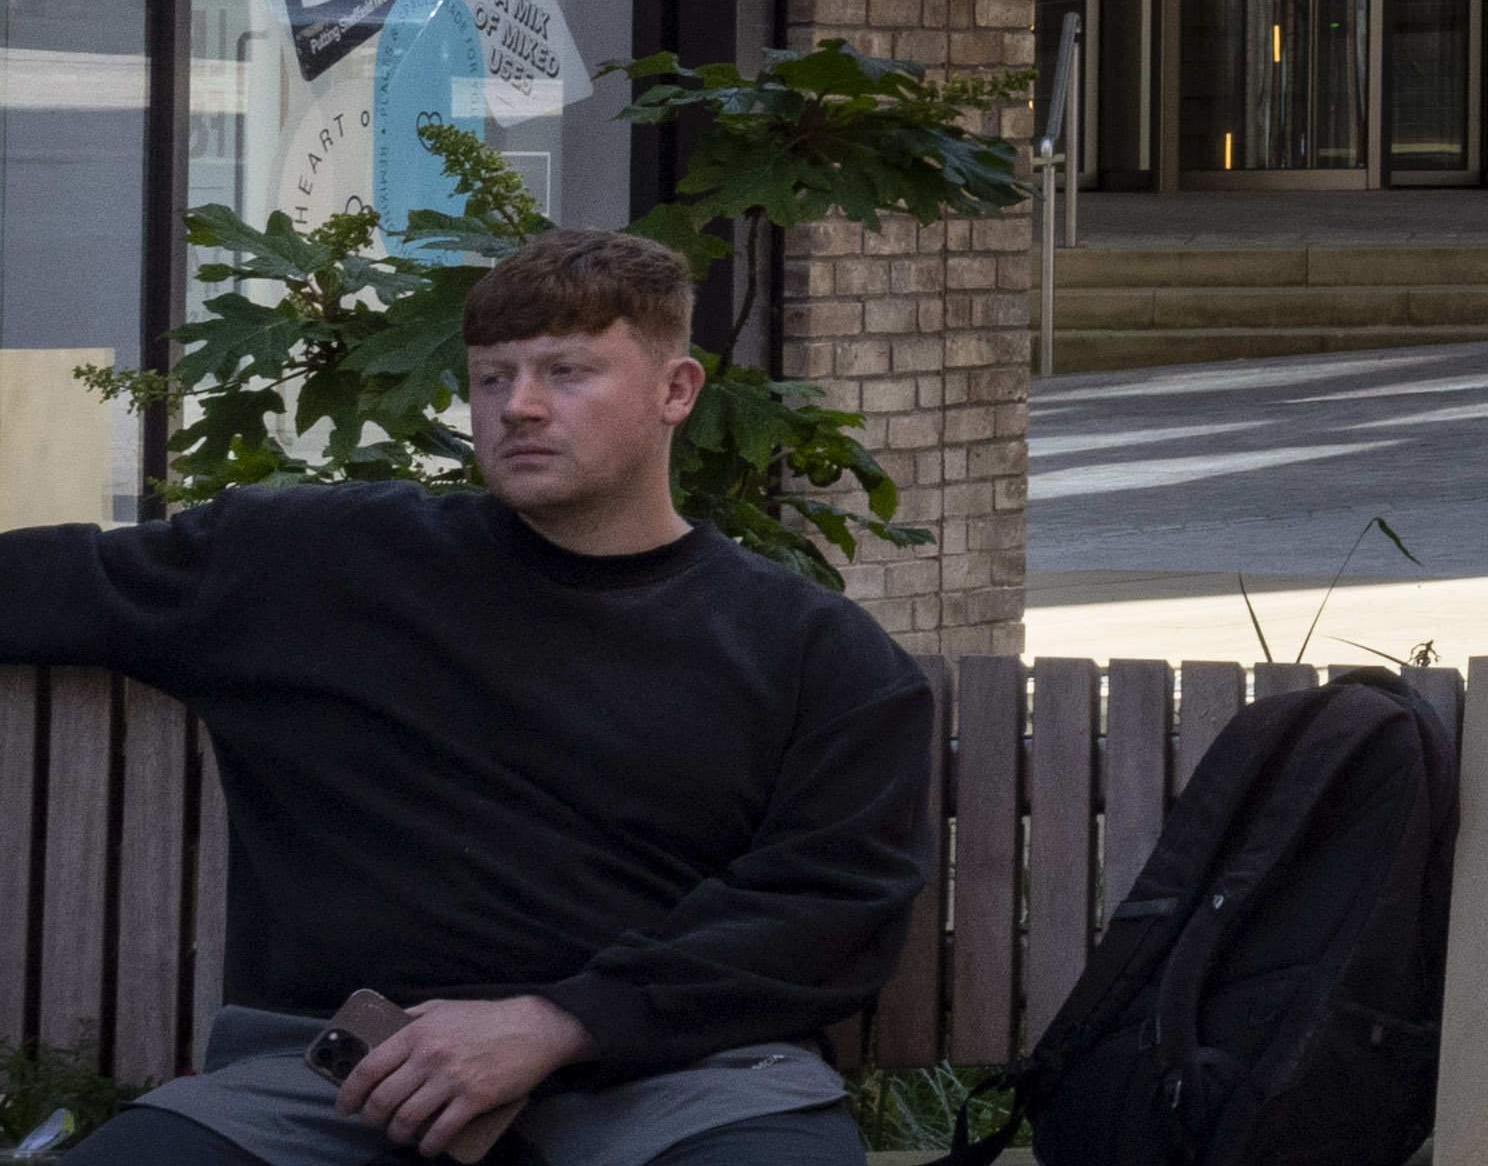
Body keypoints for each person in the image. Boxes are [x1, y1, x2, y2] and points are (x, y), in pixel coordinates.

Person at [0, 224, 928, 1166]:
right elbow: (45, 586)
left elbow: (831, 902)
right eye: (493, 378)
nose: (519, 407)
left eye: (566, 373)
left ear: (675, 390)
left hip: (685, 1079)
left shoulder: (813, 654)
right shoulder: (309, 569)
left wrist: (560, 1021)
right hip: (347, 1077)